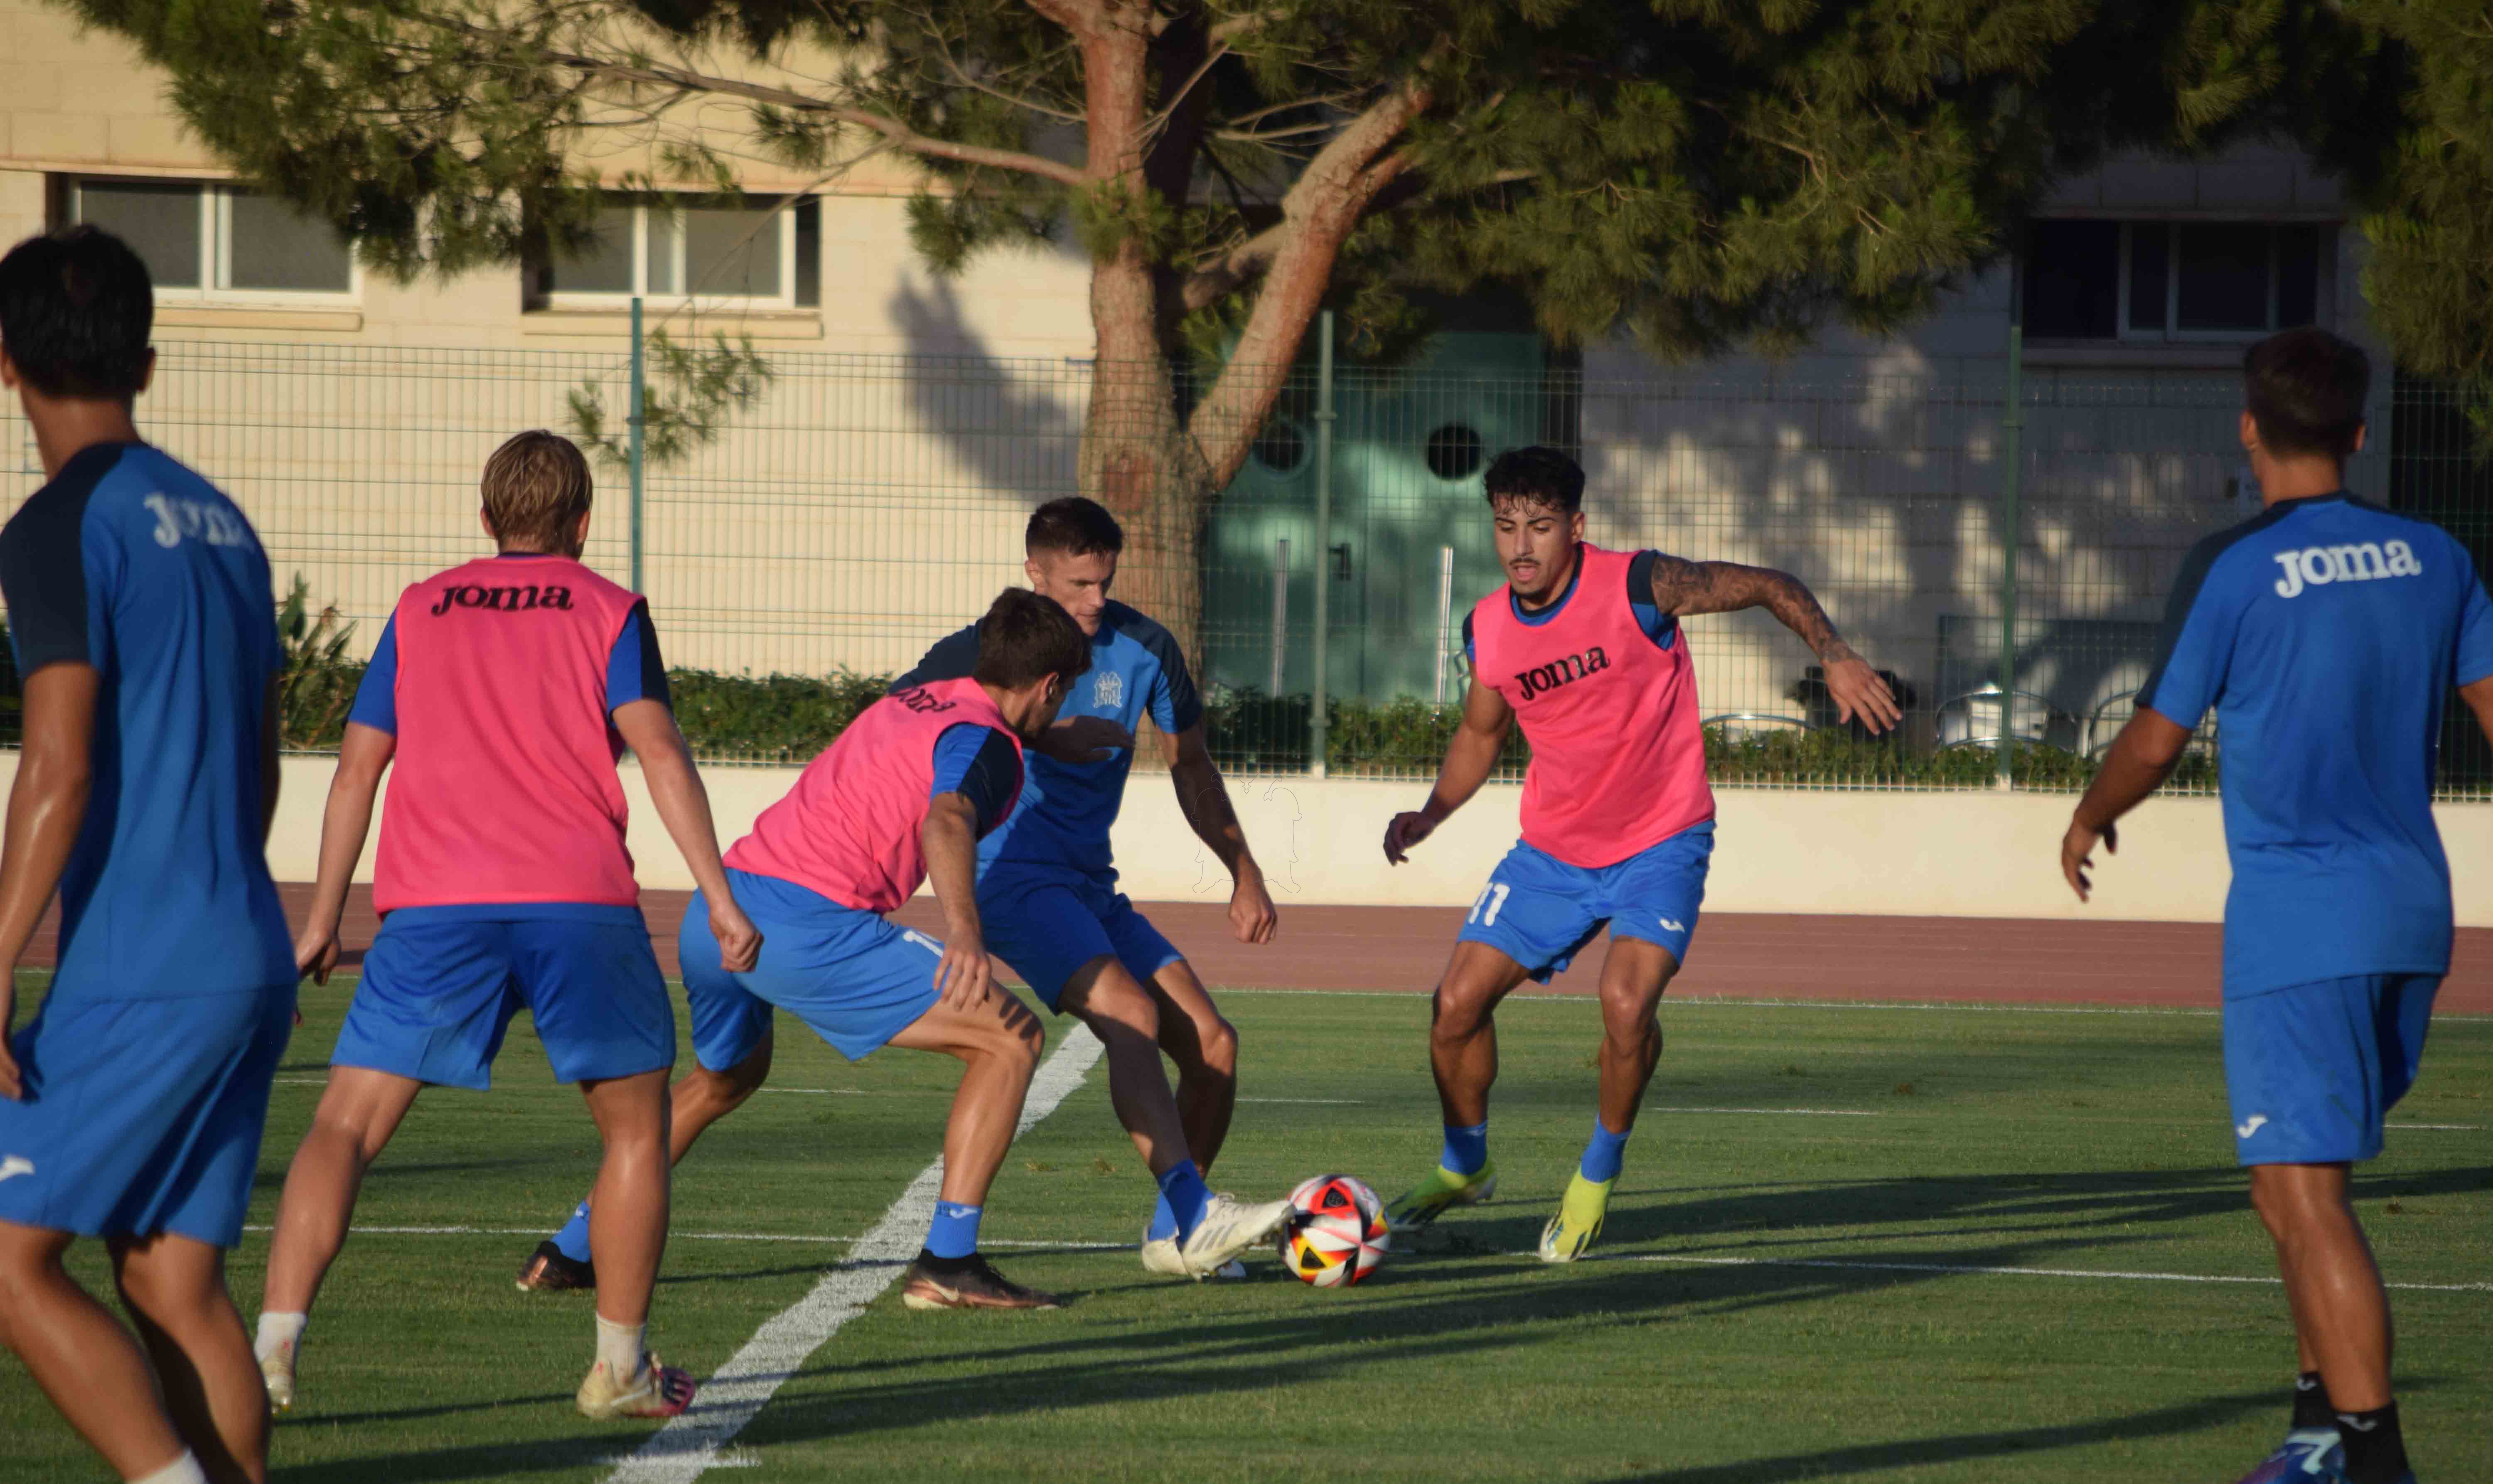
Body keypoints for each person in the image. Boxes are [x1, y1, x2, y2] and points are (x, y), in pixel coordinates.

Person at [518, 501, 1291, 1294]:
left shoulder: (916, 702)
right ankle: (953, 1260)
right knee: (1011, 1039)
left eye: (1106, 582)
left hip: (724, 906)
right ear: (1049, 681)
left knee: (723, 1082)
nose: (1097, 600)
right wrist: (963, 930)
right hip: (811, 922)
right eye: (1078, 585)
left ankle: (572, 1246)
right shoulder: (988, 739)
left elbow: (922, 768)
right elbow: (949, 817)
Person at [2062, 326, 2488, 1484]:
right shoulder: (2436, 553)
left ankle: (2381, 1475)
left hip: (2300, 920)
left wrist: (2090, 814)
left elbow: (2156, 733)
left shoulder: (2235, 567)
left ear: (2249, 429)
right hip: (2413, 911)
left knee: (2306, 1195)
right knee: (2289, 1185)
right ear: (2359, 433)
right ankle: (2314, 1437)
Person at [251, 429, 760, 1426]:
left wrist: (321, 918)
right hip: (578, 902)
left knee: (344, 1126)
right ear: (582, 523)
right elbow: (658, 754)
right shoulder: (610, 608)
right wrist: (721, 892)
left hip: (434, 906)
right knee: (634, 1131)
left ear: (486, 522)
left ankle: (271, 1347)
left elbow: (358, 769)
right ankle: (618, 1368)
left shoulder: (420, 605)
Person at [0, 226, 298, 1484]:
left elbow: (53, 765)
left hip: (144, 959)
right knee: (173, 1282)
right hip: (244, 939)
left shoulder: (59, 522)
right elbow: (260, 761)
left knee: (5, 1258)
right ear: (150, 361)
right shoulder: (222, 517)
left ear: (7, 370)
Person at [1382, 445, 1899, 1261]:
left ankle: (1596, 1173)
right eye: (1506, 526)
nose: (1521, 546)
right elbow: (1481, 736)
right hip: (1551, 853)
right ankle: (1464, 1166)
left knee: (1625, 1006)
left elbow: (1771, 584)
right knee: (1453, 1008)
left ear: (1576, 528)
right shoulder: (1488, 625)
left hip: (1661, 840)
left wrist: (1833, 655)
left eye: (1541, 527)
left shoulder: (1639, 585)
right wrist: (1430, 813)